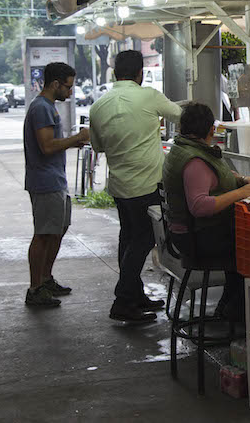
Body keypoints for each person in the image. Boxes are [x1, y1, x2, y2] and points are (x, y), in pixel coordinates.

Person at [89, 50, 182, 323]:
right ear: (140, 73)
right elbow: (181, 116)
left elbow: (97, 146)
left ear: (114, 73)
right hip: (146, 183)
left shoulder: (99, 105)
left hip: (120, 185)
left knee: (128, 239)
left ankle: (135, 294)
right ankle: (123, 300)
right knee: (144, 240)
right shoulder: (149, 96)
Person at [162, 102, 250, 321]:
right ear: (211, 130)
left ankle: (231, 308)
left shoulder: (183, 149)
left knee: (243, 249)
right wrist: (241, 193)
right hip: (198, 238)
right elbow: (199, 206)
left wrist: (241, 180)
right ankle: (239, 312)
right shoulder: (194, 161)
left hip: (188, 234)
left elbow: (215, 174)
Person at [23, 62, 90, 307]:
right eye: (68, 87)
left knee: (56, 231)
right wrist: (77, 138)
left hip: (55, 179)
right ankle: (35, 288)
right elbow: (47, 146)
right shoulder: (41, 108)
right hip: (45, 181)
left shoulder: (48, 107)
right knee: (43, 234)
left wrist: (73, 142)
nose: (70, 92)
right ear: (55, 84)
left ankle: (46, 278)